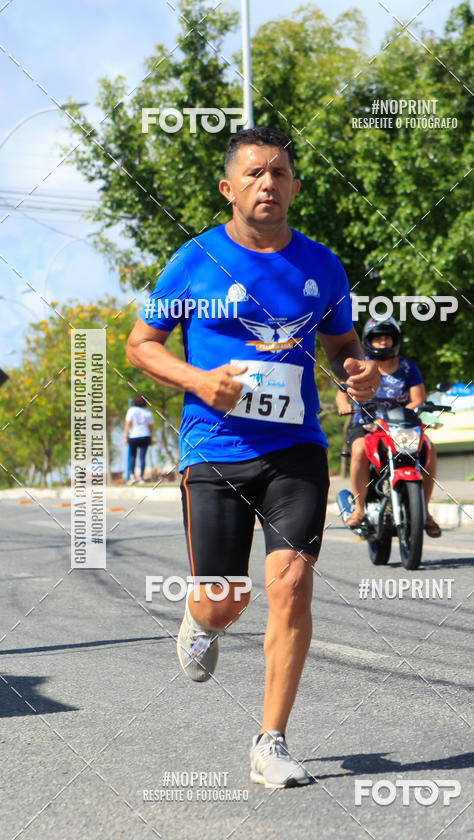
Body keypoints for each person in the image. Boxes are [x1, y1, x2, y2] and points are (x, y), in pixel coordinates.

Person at [125, 126, 379, 789]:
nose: (269, 182)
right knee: (222, 598)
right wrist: (199, 381)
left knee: (291, 585)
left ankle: (271, 742)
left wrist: (358, 372)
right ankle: (200, 619)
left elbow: (341, 343)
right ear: (229, 187)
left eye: (281, 172)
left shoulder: (321, 264)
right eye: (256, 172)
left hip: (295, 448)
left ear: (295, 185)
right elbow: (140, 345)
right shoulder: (195, 260)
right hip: (215, 451)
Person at [335, 316, 442, 537]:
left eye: (387, 338)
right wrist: (344, 405)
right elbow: (342, 393)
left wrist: (400, 413)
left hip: (401, 426)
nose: (383, 342)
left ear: (396, 340)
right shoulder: (361, 365)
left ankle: (425, 511)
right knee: (359, 451)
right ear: (368, 341)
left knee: (429, 449)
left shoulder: (407, 367)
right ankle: (359, 508)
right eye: (378, 338)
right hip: (366, 425)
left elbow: (418, 399)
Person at [124, 395, 154, 483]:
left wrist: (126, 437)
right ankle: (141, 477)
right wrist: (151, 438)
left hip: (133, 436)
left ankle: (132, 476)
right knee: (142, 457)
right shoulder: (148, 412)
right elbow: (150, 427)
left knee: (133, 456)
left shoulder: (131, 410)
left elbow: (127, 424)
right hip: (145, 436)